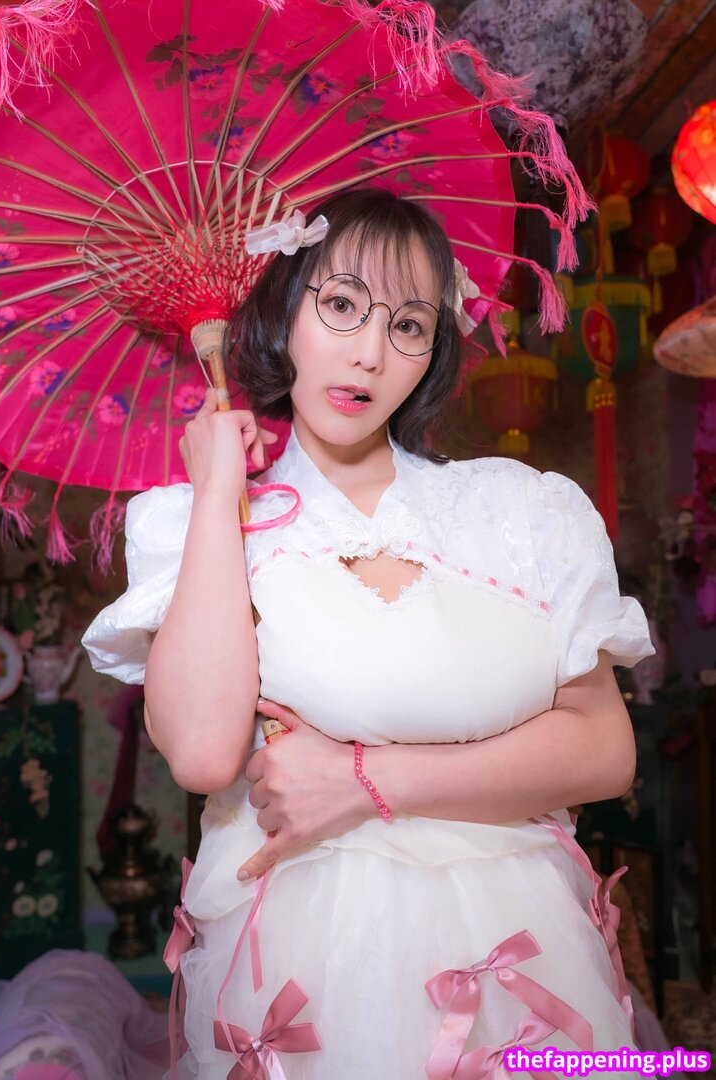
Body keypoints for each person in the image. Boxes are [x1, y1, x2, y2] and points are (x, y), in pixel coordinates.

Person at [83, 187, 654, 1079]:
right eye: (342, 305)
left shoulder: (523, 512)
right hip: (308, 976)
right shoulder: (198, 525)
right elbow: (200, 752)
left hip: (530, 960)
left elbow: (605, 750)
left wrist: (365, 781)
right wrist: (216, 494)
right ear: (284, 311)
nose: (370, 354)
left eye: (409, 325)